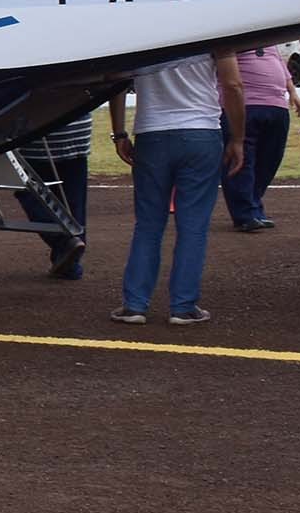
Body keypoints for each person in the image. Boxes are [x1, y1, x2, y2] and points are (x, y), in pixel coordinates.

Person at [105, 51, 244, 326]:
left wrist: (119, 132)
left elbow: (116, 81)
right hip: (201, 130)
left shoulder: (141, 32)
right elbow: (232, 84)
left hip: (151, 132)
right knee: (193, 225)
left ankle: (134, 304)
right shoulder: (216, 27)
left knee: (148, 224)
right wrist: (238, 137)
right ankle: (183, 305)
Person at [11, 108, 92, 280]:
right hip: (77, 135)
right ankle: (69, 263)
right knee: (73, 204)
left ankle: (64, 244)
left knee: (30, 195)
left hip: (35, 137)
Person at [223, 44, 296, 232]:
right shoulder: (230, 32)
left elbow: (278, 61)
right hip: (245, 104)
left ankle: (253, 206)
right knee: (242, 160)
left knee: (269, 159)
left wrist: (292, 91)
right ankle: (245, 214)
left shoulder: (269, 35)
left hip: (276, 105)